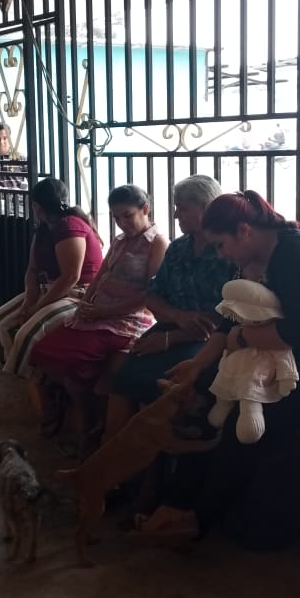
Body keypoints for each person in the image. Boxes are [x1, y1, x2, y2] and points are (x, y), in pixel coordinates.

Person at [136, 190, 300, 545]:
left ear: (244, 231)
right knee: (203, 397)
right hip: (282, 356)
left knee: (243, 418)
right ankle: (176, 503)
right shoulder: (249, 258)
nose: (220, 254)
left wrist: (242, 339)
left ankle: (199, 519)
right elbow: (228, 320)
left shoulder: (297, 252)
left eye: (221, 245)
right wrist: (198, 365)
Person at [29, 185, 168, 446]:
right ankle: (87, 418)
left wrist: (106, 310)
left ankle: (89, 424)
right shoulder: (119, 241)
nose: (122, 223)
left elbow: (150, 294)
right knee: (44, 353)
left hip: (127, 319)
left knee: (73, 364)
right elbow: (100, 276)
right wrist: (86, 303)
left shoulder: (157, 243)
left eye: (127, 216)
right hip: (97, 314)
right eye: (116, 218)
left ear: (145, 210)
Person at [105, 174, 235, 439]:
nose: (176, 215)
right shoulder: (178, 248)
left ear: (206, 208)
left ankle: (153, 461)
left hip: (206, 341)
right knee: (123, 378)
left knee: (160, 385)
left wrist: (169, 339)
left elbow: (218, 319)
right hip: (171, 327)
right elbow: (152, 296)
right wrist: (177, 316)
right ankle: (109, 450)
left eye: (182, 208)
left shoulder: (226, 252)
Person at [0, 177, 104, 381]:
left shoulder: (69, 226)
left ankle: (32, 381)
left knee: (27, 334)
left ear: (37, 207)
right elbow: (32, 270)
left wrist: (37, 307)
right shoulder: (43, 229)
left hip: (79, 294)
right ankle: (14, 375)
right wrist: (29, 300)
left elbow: (70, 277)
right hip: (51, 290)